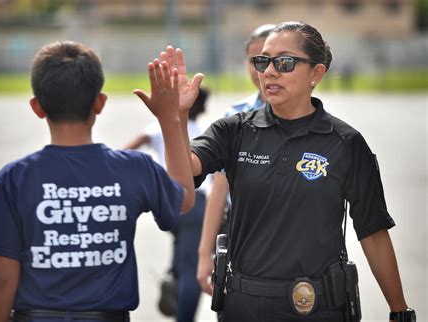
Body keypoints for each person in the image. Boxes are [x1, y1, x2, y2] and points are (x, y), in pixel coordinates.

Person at [153, 21, 415, 321]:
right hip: (244, 307)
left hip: (318, 309)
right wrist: (175, 120)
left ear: (316, 74)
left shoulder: (346, 144)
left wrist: (399, 310)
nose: (269, 71)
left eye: (285, 62)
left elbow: (373, 231)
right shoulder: (235, 130)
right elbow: (182, 177)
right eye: (263, 61)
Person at [0, 40, 196, 322]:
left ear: (37, 107)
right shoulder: (133, 169)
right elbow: (185, 197)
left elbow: (3, 279)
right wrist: (171, 119)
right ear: (100, 103)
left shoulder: (13, 179)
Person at [196, 24, 274, 296]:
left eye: (269, 59)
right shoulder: (235, 117)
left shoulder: (314, 120)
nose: (261, 69)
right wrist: (205, 253)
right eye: (254, 60)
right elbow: (219, 189)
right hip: (239, 228)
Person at [123, 88, 210, 322]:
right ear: (201, 108)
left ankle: (173, 279)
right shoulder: (202, 133)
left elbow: (131, 146)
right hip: (196, 204)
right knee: (192, 268)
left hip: (169, 202)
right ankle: (184, 315)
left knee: (182, 258)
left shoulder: (159, 129)